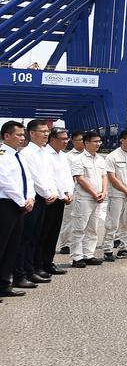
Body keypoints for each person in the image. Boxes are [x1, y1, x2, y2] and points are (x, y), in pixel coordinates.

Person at [13, 119, 58, 288]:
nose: (46, 134)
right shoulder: (27, 153)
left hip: (45, 197)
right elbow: (34, 178)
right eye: (43, 131)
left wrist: (53, 192)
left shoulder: (44, 151)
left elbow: (49, 175)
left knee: (35, 237)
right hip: (34, 198)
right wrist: (47, 193)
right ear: (32, 133)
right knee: (25, 238)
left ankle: (30, 269)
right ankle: (21, 273)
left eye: (47, 131)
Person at [0, 121, 33, 299]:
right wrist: (22, 201)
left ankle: (5, 284)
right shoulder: (2, 155)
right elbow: (5, 181)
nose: (22, 138)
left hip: (19, 205)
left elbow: (27, 179)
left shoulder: (18, 156)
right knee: (2, 246)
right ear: (6, 136)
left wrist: (31, 197)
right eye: (19, 135)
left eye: (23, 135)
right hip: (6, 205)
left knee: (12, 246)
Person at [69, 131, 108, 268]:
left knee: (92, 228)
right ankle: (77, 257)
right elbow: (80, 178)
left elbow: (104, 177)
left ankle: (88, 254)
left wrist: (104, 192)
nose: (98, 144)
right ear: (86, 143)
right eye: (95, 141)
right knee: (79, 228)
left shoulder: (101, 159)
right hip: (84, 198)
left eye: (99, 141)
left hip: (97, 197)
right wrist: (94, 193)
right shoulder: (78, 159)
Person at [37, 128, 72, 276]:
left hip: (62, 199)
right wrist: (59, 195)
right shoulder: (45, 155)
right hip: (49, 199)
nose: (65, 142)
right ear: (52, 139)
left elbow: (67, 177)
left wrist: (70, 192)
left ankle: (48, 262)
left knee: (54, 233)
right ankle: (38, 264)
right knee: (43, 233)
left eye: (66, 139)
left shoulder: (63, 156)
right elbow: (49, 178)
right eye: (62, 139)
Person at [102, 129, 127, 261]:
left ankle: (123, 247)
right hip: (118, 194)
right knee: (112, 222)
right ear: (122, 140)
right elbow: (112, 177)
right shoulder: (112, 156)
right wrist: (126, 190)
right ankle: (108, 249)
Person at [57, 131, 86, 254]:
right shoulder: (67, 156)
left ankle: (80, 244)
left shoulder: (89, 156)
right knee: (68, 219)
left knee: (84, 220)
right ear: (73, 141)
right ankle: (65, 244)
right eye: (80, 140)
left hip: (86, 193)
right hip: (71, 192)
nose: (83, 142)